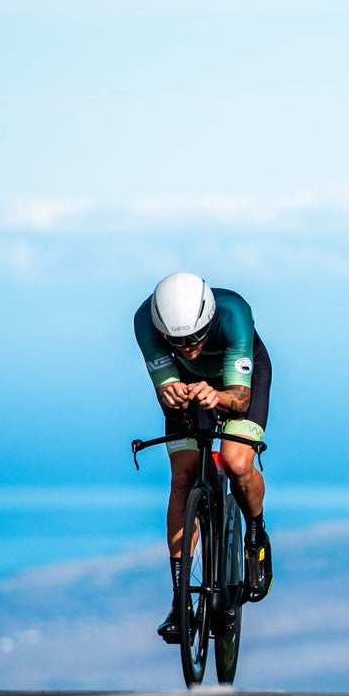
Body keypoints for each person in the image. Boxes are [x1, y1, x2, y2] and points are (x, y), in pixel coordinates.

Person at [133, 271, 273, 643]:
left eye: (195, 336)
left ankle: (256, 534)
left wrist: (219, 398)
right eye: (176, 341)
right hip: (187, 385)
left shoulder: (233, 313)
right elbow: (164, 387)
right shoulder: (144, 322)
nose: (188, 345)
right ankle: (180, 601)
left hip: (239, 383)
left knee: (236, 463)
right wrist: (170, 392)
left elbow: (240, 400)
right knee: (183, 476)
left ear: (209, 319)